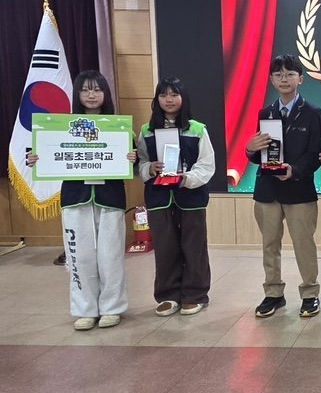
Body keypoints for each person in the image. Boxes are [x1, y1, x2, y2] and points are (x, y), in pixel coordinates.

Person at [27, 70, 134, 330]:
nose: (91, 95)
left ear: (105, 93)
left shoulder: (119, 127)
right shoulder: (58, 128)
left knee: (110, 256)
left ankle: (111, 308)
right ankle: (85, 309)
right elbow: (46, 156)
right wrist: (35, 159)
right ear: (77, 94)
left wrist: (133, 158)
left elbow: (133, 162)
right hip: (75, 199)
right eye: (85, 90)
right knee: (79, 256)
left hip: (110, 199)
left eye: (96, 89)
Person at [245, 54, 321, 318]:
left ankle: (310, 293)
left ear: (300, 79)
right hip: (267, 190)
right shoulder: (265, 113)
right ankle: (273, 293)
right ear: (271, 80)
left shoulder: (313, 112)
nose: (284, 79)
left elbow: (315, 155)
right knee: (270, 244)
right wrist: (249, 149)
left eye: (290, 74)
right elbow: (260, 154)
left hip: (299, 190)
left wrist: (294, 171)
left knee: (303, 243)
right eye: (278, 74)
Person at [137, 77, 214, 317]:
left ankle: (195, 294)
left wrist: (186, 178)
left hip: (191, 197)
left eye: (174, 94)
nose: (168, 100)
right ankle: (168, 295)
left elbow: (207, 164)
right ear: (156, 100)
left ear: (183, 98)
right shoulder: (146, 131)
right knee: (164, 247)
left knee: (194, 246)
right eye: (163, 95)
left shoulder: (197, 129)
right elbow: (140, 162)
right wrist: (149, 168)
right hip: (158, 198)